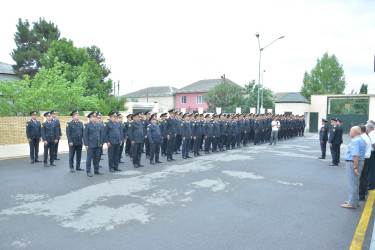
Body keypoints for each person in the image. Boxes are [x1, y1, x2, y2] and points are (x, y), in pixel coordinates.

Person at [341, 126, 366, 209]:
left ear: (354, 132)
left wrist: (355, 167)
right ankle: (355, 200)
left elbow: (356, 155)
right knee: (355, 183)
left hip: (353, 163)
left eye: (350, 130)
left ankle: (352, 203)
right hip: (359, 162)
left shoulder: (355, 140)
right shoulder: (361, 139)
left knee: (352, 183)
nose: (349, 132)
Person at [83, 111, 103, 177]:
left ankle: (96, 170)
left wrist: (100, 142)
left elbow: (100, 135)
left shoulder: (98, 125)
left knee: (97, 158)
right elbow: (85, 136)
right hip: (90, 144)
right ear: (90, 118)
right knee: (89, 158)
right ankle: (88, 171)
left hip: (97, 144)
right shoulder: (87, 126)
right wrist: (86, 144)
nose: (95, 118)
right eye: (93, 117)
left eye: (95, 117)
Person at [359, 125, 371, 200]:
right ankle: (363, 192)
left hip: (363, 158)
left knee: (362, 177)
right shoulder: (365, 136)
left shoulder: (363, 138)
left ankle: (361, 194)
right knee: (363, 176)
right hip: (366, 158)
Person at [366, 123, 375, 190]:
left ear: (369, 128)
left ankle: (370, 184)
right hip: (372, 153)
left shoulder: (371, 134)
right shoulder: (372, 133)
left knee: (370, 169)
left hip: (372, 153)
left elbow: (373, 144)